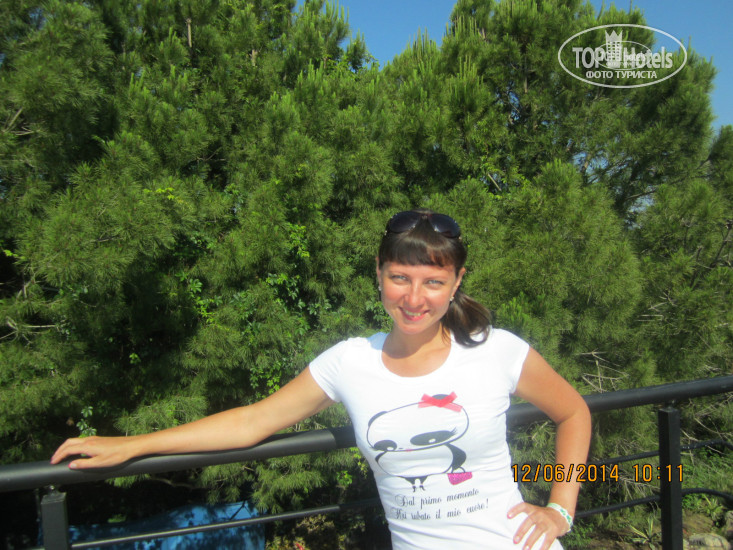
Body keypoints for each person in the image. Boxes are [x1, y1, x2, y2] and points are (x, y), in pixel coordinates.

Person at [52, 209, 591, 550]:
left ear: (456, 283)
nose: (413, 297)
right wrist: (133, 445)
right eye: (400, 277)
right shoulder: (350, 362)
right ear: (378, 272)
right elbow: (253, 421)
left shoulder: (495, 350)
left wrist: (559, 508)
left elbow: (573, 412)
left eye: (432, 281)